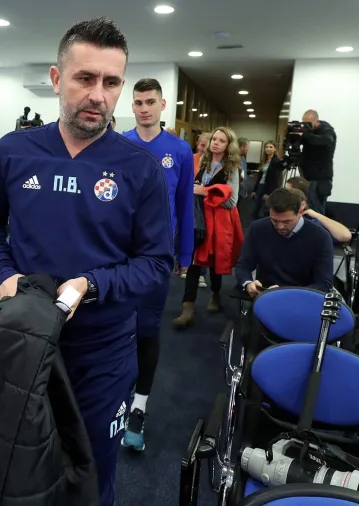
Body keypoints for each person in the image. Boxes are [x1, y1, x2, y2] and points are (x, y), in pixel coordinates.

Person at [0, 18, 174, 506]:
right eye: (85, 78)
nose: (98, 95)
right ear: (56, 78)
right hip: (22, 337)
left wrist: (91, 284)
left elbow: (155, 263)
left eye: (111, 82)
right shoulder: (14, 150)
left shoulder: (140, 167)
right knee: (16, 464)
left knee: (91, 471)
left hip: (102, 352)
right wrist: (2, 275)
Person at [121, 78, 194, 451]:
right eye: (138, 102)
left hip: (157, 254)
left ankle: (139, 406)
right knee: (114, 324)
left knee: (147, 328)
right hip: (118, 251)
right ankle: (114, 396)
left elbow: (185, 205)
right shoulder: (118, 144)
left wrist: (185, 254)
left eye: (150, 101)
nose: (144, 108)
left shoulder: (179, 150)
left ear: (163, 105)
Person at [173, 127, 244, 328]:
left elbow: (232, 202)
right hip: (198, 220)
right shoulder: (203, 161)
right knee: (194, 262)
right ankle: (187, 308)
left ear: (228, 145)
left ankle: (215, 293)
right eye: (214, 139)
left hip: (218, 224)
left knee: (214, 263)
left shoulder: (232, 168)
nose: (216, 143)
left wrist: (206, 192)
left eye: (221, 140)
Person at [235, 188, 333, 298]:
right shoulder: (258, 229)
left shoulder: (320, 237)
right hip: (266, 297)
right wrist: (248, 283)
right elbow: (243, 265)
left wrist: (285, 294)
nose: (280, 227)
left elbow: (323, 283)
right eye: (274, 220)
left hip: (302, 299)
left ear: (300, 212)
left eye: (287, 221)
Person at [286, 176, 352, 243]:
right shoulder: (282, 217)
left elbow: (345, 235)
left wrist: (317, 215)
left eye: (287, 194)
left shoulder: (311, 223)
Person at [295, 109, 336, 215]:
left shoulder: (327, 131)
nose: (306, 126)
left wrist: (305, 134)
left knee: (315, 208)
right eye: (304, 123)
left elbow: (322, 141)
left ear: (317, 122)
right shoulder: (309, 132)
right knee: (305, 206)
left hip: (319, 177)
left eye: (309, 124)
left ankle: (318, 225)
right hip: (306, 174)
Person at [252, 141, 283, 219]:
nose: (268, 149)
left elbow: (274, 179)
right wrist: (254, 190)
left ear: (275, 149)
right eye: (266, 147)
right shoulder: (264, 161)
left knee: (264, 211)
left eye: (271, 147)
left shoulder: (276, 161)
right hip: (260, 186)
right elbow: (259, 177)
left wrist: (268, 193)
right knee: (256, 207)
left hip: (268, 188)